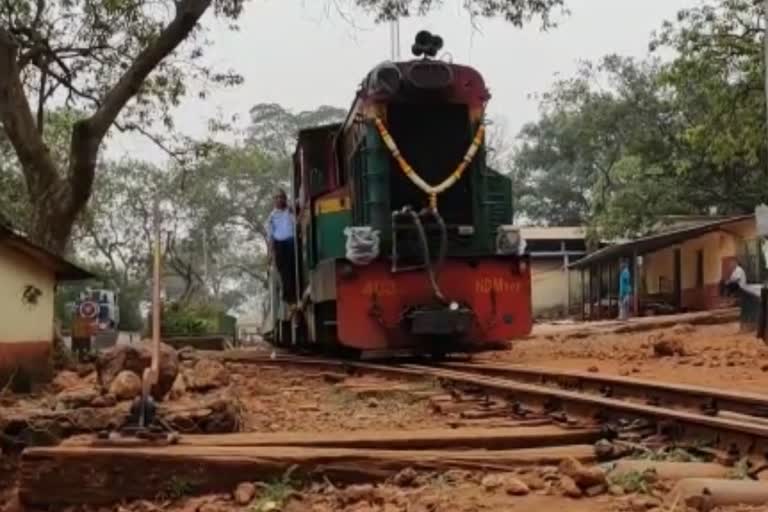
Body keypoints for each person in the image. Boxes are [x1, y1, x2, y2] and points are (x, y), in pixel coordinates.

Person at [266, 189, 297, 304]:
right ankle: (288, 298)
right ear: (274, 201)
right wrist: (270, 254)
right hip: (279, 245)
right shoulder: (271, 217)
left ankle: (292, 295)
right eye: (276, 198)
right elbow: (270, 236)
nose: (279, 199)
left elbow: (296, 222)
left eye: (281, 197)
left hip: (292, 242)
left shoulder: (290, 211)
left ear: (285, 198)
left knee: (292, 269)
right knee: (283, 271)